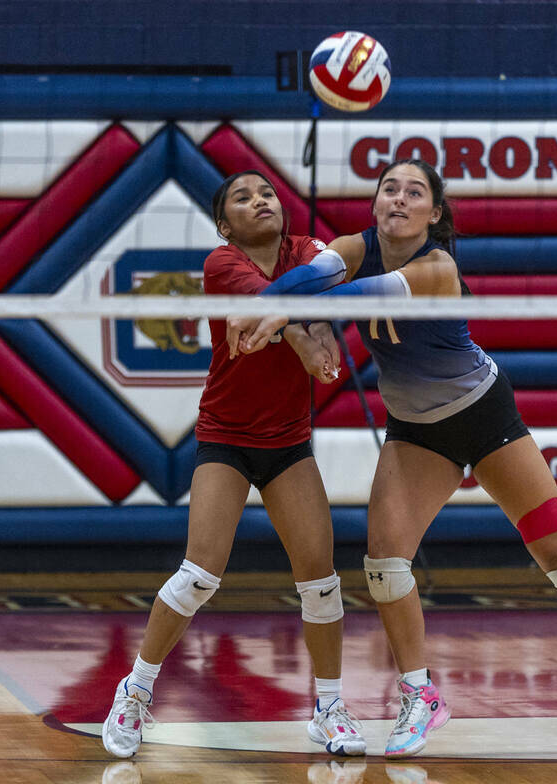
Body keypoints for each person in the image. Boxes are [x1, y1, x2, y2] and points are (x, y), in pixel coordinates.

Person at [227, 158, 557, 758]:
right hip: (417, 433)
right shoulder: (354, 248)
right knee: (384, 565)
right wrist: (267, 302)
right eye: (389, 189)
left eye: (414, 193)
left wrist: (283, 311)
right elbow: (311, 276)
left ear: (434, 213)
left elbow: (350, 298)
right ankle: (421, 696)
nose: (399, 199)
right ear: (374, 203)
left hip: (484, 418)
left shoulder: (437, 267)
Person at [101, 170, 367, 759]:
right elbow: (269, 307)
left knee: (322, 582)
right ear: (225, 225)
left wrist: (321, 322)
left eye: (267, 192)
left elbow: (328, 280)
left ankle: (328, 707)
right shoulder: (222, 264)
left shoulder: (307, 250)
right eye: (243, 198)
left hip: (289, 441)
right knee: (199, 574)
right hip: (227, 437)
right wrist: (306, 338)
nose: (260, 201)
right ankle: (135, 690)